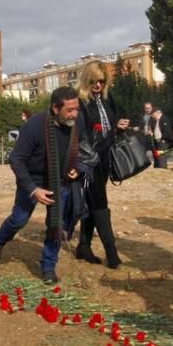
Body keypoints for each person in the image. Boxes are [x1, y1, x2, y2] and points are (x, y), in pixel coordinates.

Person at [0, 86, 92, 285]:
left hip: (61, 180)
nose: (75, 114)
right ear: (55, 108)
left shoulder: (78, 122)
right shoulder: (34, 126)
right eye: (69, 110)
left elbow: (85, 150)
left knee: (55, 224)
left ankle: (48, 266)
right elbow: (16, 159)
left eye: (77, 108)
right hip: (33, 180)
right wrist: (33, 190)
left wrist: (78, 167)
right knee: (19, 219)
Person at [75, 61, 130, 268]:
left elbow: (111, 124)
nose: (98, 85)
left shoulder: (107, 98)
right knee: (99, 203)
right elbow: (79, 133)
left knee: (92, 202)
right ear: (86, 80)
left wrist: (119, 126)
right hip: (88, 161)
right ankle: (112, 252)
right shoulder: (80, 102)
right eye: (94, 81)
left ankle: (83, 246)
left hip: (105, 158)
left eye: (102, 81)